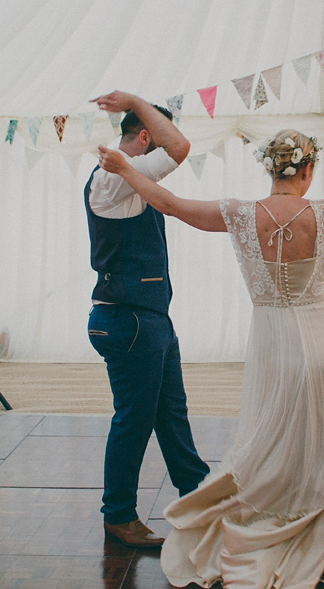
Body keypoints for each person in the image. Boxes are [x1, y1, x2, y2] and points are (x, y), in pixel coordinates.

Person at [98, 130, 324, 588]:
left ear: (270, 169)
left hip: (276, 345)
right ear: (308, 170)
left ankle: (277, 528)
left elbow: (170, 204)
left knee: (273, 442)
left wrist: (124, 169)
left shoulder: (239, 213)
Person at [84, 91, 209, 548]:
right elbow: (179, 148)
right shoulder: (115, 175)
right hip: (130, 320)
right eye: (156, 132)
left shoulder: (126, 176)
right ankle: (118, 515)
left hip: (149, 317)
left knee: (170, 414)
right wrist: (135, 98)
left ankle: (198, 496)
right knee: (134, 420)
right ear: (144, 135)